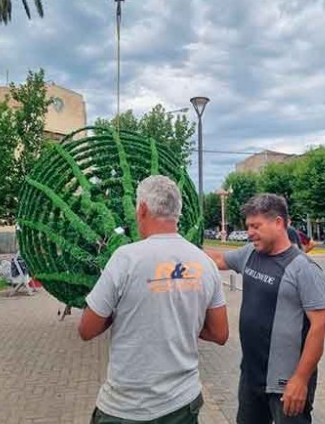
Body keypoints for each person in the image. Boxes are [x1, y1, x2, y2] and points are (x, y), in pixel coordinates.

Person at [79, 175, 228, 423]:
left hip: (126, 409)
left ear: (143, 209)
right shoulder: (204, 262)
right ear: (177, 212)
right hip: (183, 404)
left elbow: (87, 329)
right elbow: (220, 333)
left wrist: (119, 314)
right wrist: (182, 322)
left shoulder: (125, 258)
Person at [207, 194, 325, 423]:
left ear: (279, 223)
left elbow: (320, 325)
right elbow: (217, 261)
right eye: (248, 226)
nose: (250, 232)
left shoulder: (304, 269)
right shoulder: (250, 253)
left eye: (256, 226)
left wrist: (301, 379)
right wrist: (180, 249)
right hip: (251, 376)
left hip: (287, 383)